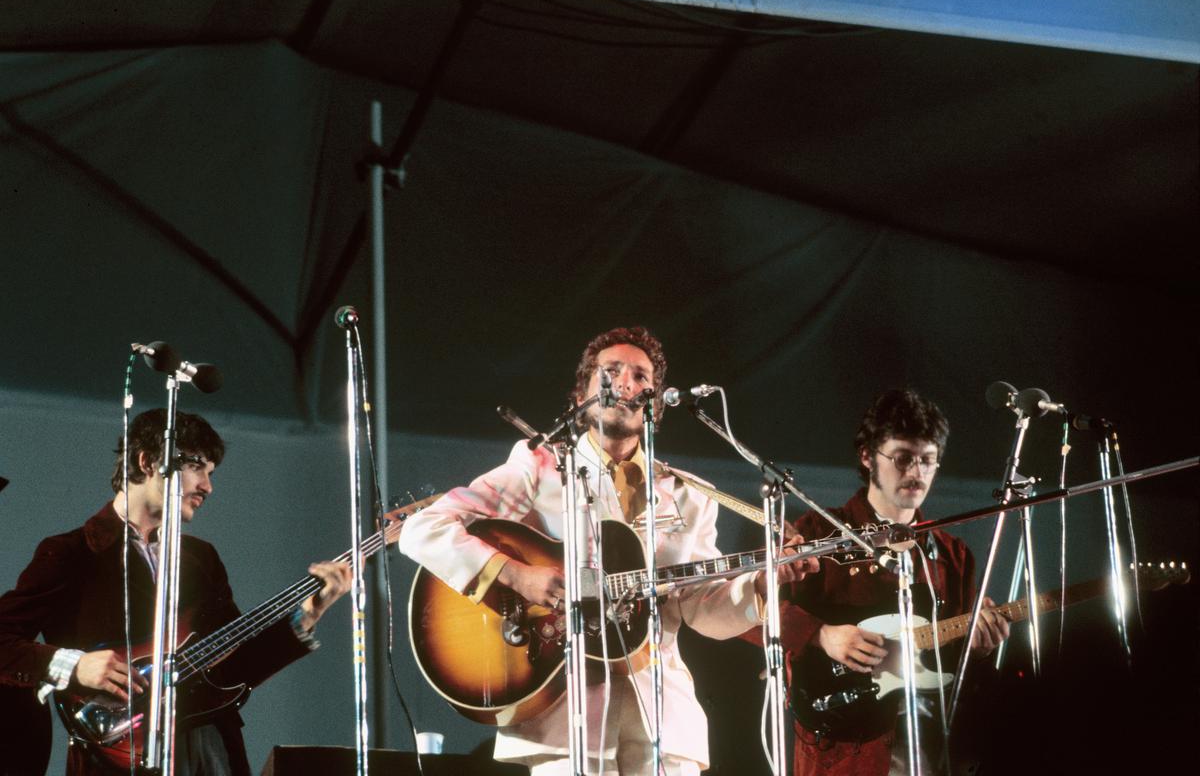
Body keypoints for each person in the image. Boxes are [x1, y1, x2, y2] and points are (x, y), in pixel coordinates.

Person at [398, 326, 817, 776]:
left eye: (640, 375)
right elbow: (423, 529)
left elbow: (700, 608)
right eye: (611, 371)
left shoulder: (689, 495)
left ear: (655, 401)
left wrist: (761, 582)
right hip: (563, 712)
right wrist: (516, 575)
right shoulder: (540, 468)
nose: (626, 383)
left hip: (662, 721)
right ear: (581, 392)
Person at [0, 409, 351, 776]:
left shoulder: (202, 558)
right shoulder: (73, 552)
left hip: (208, 747)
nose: (207, 486)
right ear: (148, 461)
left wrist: (308, 613)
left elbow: (234, 665)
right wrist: (75, 666)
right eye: (197, 467)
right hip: (116, 753)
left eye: (211, 473)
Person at [763, 389, 1010, 776]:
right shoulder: (817, 532)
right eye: (903, 458)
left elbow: (959, 665)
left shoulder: (952, 553)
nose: (916, 473)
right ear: (867, 456)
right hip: (841, 746)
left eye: (928, 461)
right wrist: (820, 634)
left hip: (930, 746)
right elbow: (752, 611)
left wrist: (981, 646)